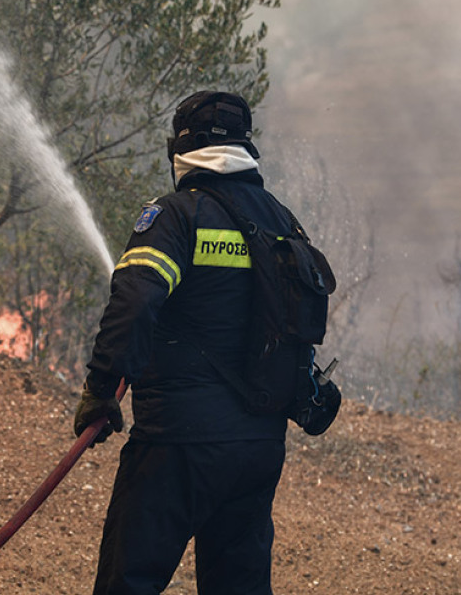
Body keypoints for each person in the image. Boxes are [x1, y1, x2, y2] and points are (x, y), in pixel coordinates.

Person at [73, 91, 301, 595]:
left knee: (127, 582)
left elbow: (134, 300)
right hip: (259, 446)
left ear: (180, 149)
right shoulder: (282, 222)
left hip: (177, 444)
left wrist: (101, 387)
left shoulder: (175, 217)